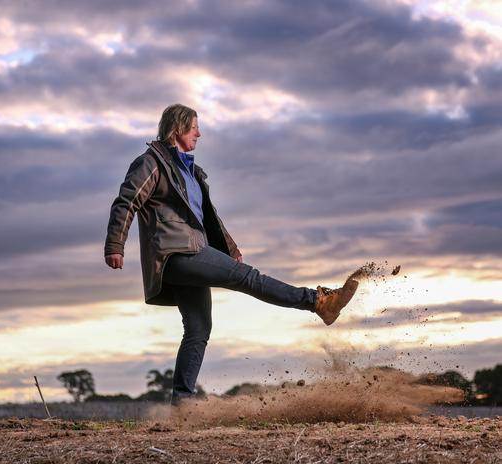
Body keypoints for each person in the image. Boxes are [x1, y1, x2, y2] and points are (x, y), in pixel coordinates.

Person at [105, 103, 358, 405]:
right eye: (194, 127)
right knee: (248, 278)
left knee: (198, 328)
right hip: (176, 253)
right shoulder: (152, 163)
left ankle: (182, 405)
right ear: (177, 129)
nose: (199, 133)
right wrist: (115, 245)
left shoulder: (191, 171)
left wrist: (231, 249)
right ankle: (319, 301)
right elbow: (126, 201)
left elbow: (207, 217)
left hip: (196, 249)